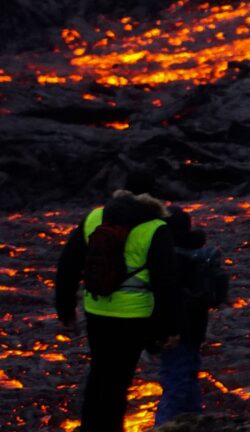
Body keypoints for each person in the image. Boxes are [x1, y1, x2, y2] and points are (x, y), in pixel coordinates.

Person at [53, 180, 180, 432]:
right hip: (134, 316)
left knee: (98, 374)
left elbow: (67, 266)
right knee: (118, 381)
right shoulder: (155, 228)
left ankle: (91, 427)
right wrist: (170, 328)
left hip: (97, 310)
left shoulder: (95, 217)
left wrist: (65, 310)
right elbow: (167, 283)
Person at [156, 208, 223, 425]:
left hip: (175, 329)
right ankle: (195, 421)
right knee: (189, 374)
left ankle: (163, 426)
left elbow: (166, 295)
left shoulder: (170, 258)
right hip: (196, 326)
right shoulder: (199, 254)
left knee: (174, 380)